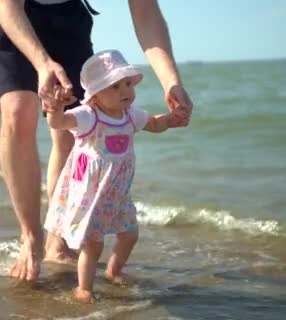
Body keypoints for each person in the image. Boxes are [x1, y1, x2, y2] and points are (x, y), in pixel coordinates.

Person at [0, 0, 193, 282]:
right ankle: (30, 236)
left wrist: (171, 82)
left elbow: (146, 12)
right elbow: (9, 7)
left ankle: (58, 237)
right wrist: (43, 64)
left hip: (67, 16)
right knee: (19, 110)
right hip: (12, 12)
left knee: (74, 125)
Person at [42, 49, 187, 303]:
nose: (125, 92)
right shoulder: (88, 115)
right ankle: (84, 288)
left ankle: (113, 270)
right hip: (91, 193)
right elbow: (59, 123)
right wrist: (55, 109)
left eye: (128, 84)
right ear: (95, 95)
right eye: (115, 87)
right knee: (94, 243)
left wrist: (172, 120)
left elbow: (153, 123)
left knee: (130, 233)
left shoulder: (131, 115)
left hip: (118, 192)